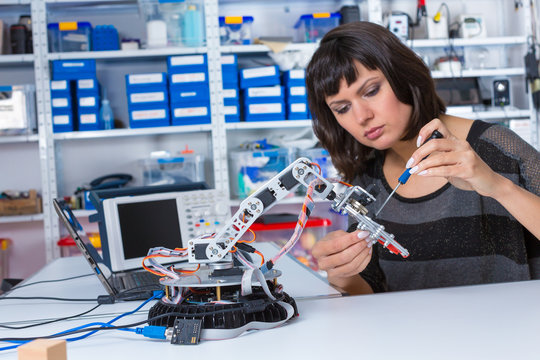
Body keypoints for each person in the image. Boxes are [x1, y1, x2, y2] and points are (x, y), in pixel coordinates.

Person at [305, 21, 540, 295]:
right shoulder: (367, 179)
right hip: (412, 336)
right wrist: (342, 274)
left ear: (402, 75)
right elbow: (370, 295)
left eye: (371, 91)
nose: (361, 117)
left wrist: (497, 186)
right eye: (342, 108)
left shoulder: (496, 148)